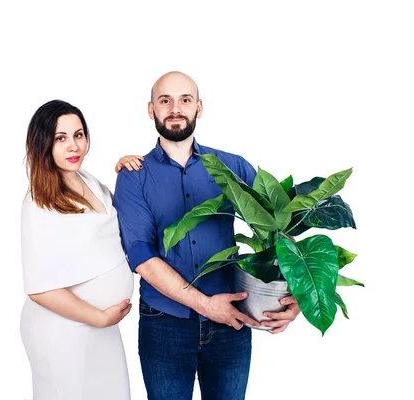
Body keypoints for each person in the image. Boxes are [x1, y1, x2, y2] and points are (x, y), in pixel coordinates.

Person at [113, 71, 301, 400]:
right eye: (165, 100)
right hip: (164, 323)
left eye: (185, 100)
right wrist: (205, 306)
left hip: (232, 320)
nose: (175, 108)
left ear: (199, 107)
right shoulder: (134, 176)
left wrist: (298, 294)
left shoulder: (233, 167)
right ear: (151, 109)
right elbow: (141, 256)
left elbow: (278, 230)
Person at [20, 99, 141, 399]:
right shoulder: (39, 204)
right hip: (62, 331)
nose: (73, 146)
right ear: (42, 143)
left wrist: (124, 171)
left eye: (78, 135)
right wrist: (99, 317)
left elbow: (117, 225)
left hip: (100, 327)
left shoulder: (86, 178)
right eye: (60, 138)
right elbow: (40, 289)